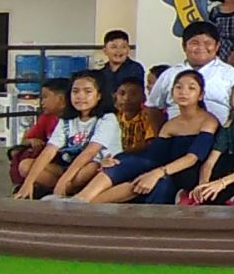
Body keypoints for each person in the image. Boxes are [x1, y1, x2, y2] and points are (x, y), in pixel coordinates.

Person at [73, 71, 219, 205]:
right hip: (162, 169)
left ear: (201, 95)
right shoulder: (171, 124)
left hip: (184, 174)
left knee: (157, 182)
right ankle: (82, 199)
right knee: (121, 163)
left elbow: (192, 158)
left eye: (191, 88)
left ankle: (84, 205)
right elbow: (153, 157)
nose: (183, 92)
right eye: (179, 87)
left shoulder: (208, 121)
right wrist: (118, 159)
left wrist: (157, 173)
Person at [14, 70, 121, 199]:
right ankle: (62, 190)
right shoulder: (67, 120)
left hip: (96, 167)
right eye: (75, 91)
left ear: (99, 95)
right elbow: (49, 150)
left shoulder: (107, 119)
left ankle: (61, 191)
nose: (80, 96)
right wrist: (28, 183)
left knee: (91, 168)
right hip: (69, 167)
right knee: (25, 166)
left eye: (88, 92)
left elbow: (90, 152)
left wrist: (64, 180)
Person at [145, 21, 234, 128]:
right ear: (184, 46)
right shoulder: (169, 75)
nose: (201, 47)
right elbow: (153, 107)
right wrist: (163, 133)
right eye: (195, 43)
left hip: (218, 135)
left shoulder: (231, 75)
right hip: (177, 134)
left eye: (207, 43)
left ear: (217, 46)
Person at [9, 78, 68, 188]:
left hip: (71, 164)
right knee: (24, 164)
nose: (42, 102)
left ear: (61, 99)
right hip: (53, 162)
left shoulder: (74, 120)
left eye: (45, 97)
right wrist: (32, 141)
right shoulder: (46, 118)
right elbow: (26, 139)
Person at [95, 30, 146, 98]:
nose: (119, 51)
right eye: (114, 47)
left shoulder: (135, 68)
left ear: (128, 49)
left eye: (123, 47)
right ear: (105, 50)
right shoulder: (101, 73)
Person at [113, 77, 155, 153]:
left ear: (144, 97)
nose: (126, 98)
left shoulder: (148, 117)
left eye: (133, 94)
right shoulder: (113, 118)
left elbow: (150, 143)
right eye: (122, 93)